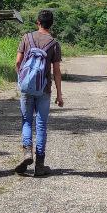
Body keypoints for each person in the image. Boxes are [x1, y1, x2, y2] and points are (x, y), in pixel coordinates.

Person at [14, 9, 64, 177]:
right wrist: (59, 94)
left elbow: (18, 62)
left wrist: (22, 81)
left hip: (27, 88)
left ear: (37, 22)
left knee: (27, 121)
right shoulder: (54, 43)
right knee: (41, 125)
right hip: (44, 89)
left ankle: (27, 152)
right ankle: (40, 166)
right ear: (51, 24)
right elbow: (56, 71)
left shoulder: (26, 38)